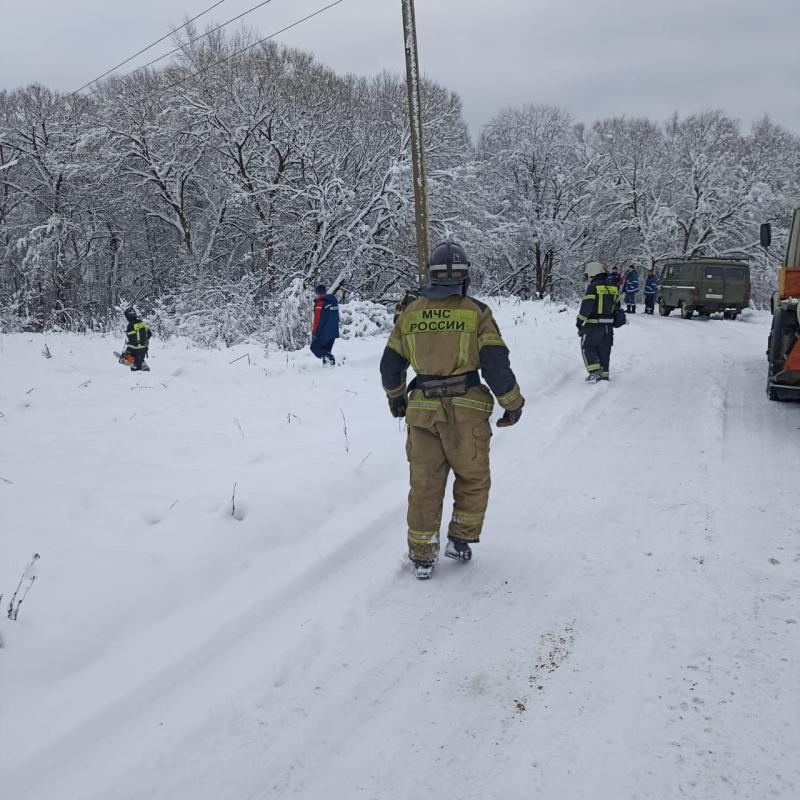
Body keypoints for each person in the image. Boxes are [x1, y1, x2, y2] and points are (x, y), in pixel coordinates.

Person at [379, 241, 525, 580]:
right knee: (473, 478)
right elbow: (495, 364)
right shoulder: (477, 312)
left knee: (425, 485)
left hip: (422, 415)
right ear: (464, 277)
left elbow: (390, 364)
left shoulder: (411, 313)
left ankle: (422, 556)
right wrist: (513, 404)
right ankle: (459, 540)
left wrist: (396, 398)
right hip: (466, 413)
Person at [577, 261, 625, 382]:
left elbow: (586, 307)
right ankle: (604, 375)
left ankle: (594, 373)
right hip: (608, 328)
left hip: (593, 326)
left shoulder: (593, 287)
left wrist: (579, 322)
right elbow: (617, 307)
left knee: (587, 347)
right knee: (605, 350)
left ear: (592, 273)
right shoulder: (613, 288)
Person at [310, 284, 339, 365]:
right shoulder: (333, 302)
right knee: (326, 351)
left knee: (314, 348)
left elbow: (318, 321)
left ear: (318, 293)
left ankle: (331, 359)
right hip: (333, 332)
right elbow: (336, 317)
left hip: (324, 334)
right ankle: (328, 371)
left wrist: (314, 334)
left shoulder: (320, 304)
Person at [123, 306, 151, 371]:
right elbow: (149, 334)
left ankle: (130, 361)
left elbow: (132, 339)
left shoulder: (130, 325)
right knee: (139, 359)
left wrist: (128, 350)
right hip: (143, 348)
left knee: (125, 359)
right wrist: (145, 340)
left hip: (133, 348)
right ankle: (142, 363)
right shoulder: (142, 323)